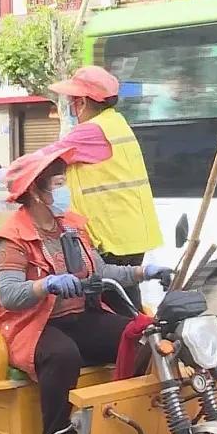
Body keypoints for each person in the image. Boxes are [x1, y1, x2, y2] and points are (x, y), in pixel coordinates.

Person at [0, 147, 173, 434]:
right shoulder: (12, 238)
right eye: (58, 184)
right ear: (36, 192)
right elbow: (9, 296)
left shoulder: (72, 226)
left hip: (79, 316)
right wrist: (46, 285)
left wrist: (145, 272)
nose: (65, 191)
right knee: (63, 355)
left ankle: (124, 420)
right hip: (28, 325)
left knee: (142, 335)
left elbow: (100, 272)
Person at [41, 65, 164, 311]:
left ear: (83, 102)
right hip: (130, 234)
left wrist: (0, 173)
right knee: (127, 305)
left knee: (113, 311)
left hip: (111, 239)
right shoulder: (116, 123)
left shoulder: (91, 131)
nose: (71, 108)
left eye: (73, 101)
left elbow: (40, 162)